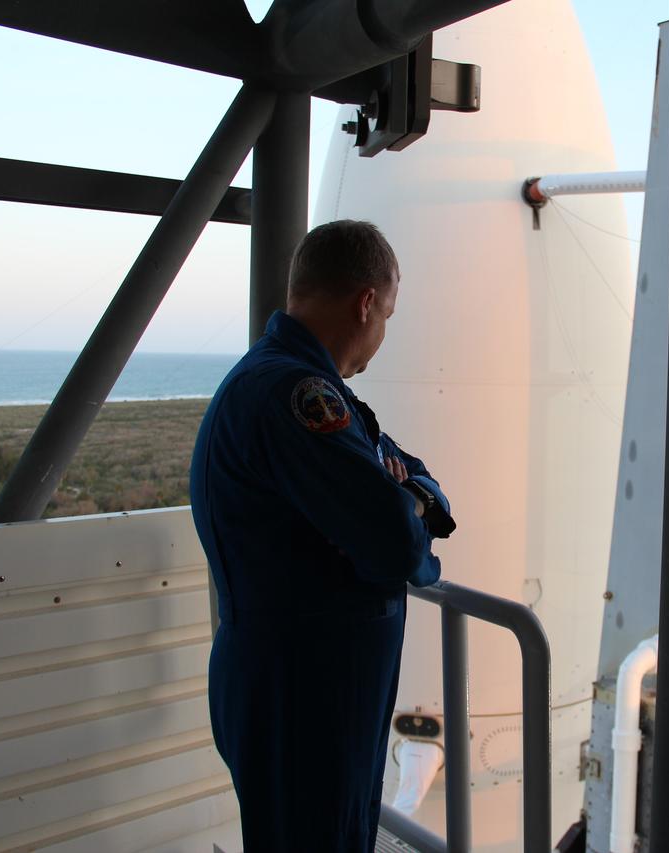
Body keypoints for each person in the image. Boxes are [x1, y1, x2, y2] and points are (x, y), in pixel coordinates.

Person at [189, 220, 454, 851]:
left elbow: (423, 489)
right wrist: (400, 510)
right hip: (304, 693)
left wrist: (407, 498)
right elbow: (394, 542)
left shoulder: (299, 386)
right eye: (386, 314)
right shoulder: (296, 393)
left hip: (311, 685)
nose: (382, 333)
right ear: (365, 302)